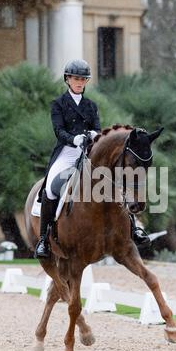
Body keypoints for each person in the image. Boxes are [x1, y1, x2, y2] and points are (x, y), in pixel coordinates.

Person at [34, 59, 150, 259]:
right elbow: (58, 130)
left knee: (115, 182)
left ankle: (134, 228)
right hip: (66, 152)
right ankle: (44, 239)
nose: (79, 82)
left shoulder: (91, 105)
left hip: (88, 151)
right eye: (75, 78)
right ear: (68, 79)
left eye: (83, 79)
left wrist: (94, 135)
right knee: (52, 188)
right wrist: (74, 138)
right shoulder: (58, 104)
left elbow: (97, 126)